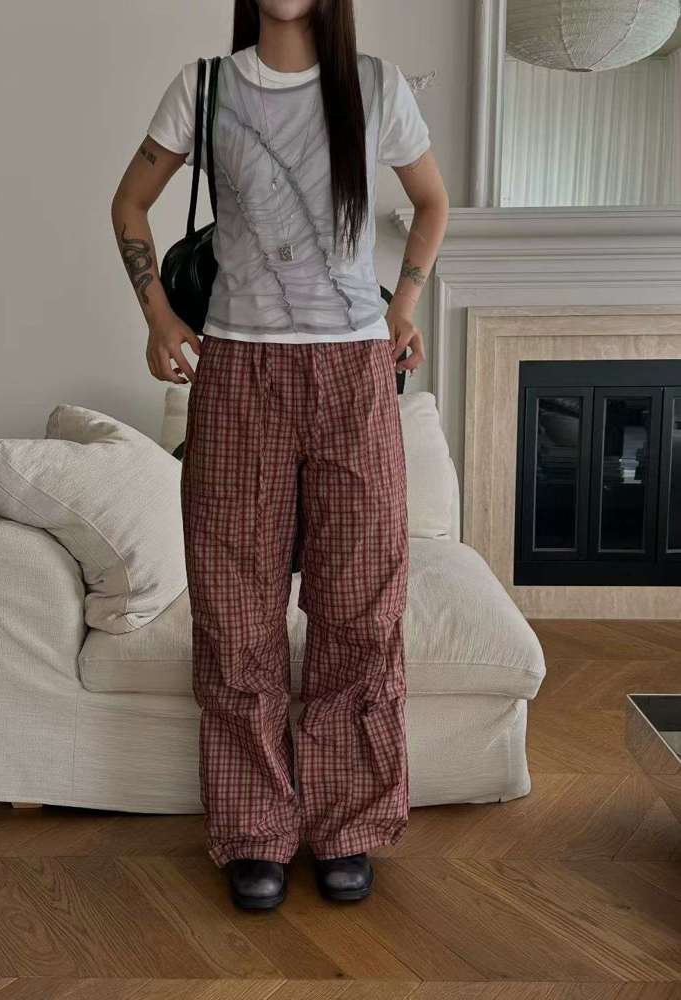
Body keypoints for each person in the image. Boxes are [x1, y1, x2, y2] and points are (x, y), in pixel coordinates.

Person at [111, 0, 449, 911]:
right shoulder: (206, 86)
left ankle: (347, 826)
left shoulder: (373, 86)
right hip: (239, 374)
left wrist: (404, 307)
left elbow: (432, 202)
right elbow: (129, 203)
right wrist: (158, 318)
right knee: (234, 610)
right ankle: (255, 832)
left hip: (353, 374)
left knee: (361, 606)